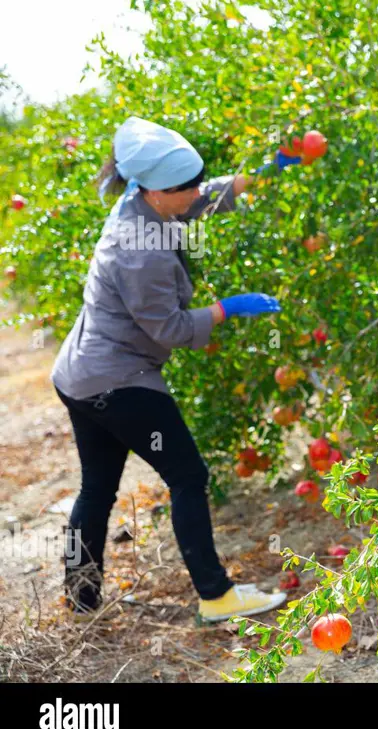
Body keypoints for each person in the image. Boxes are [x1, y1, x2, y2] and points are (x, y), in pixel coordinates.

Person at [51, 116, 301, 624]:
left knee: (97, 486)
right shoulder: (138, 251)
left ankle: (81, 603)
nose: (193, 194)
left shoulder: (146, 201)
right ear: (153, 189)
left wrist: (266, 172)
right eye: (182, 187)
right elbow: (169, 330)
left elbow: (202, 195)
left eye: (192, 183)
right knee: (188, 474)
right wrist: (226, 310)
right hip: (116, 378)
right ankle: (216, 595)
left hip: (80, 373)